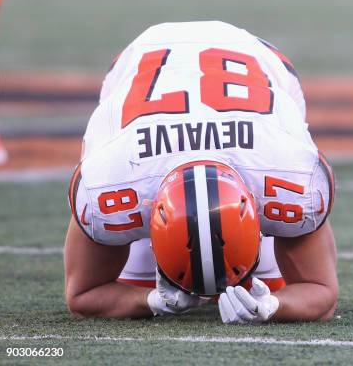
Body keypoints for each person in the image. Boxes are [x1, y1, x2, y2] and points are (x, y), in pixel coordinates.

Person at [64, 21, 337, 324]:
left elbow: (322, 295)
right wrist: (150, 299)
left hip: (260, 62)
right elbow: (83, 295)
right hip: (139, 64)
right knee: (137, 282)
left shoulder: (284, 170)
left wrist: (272, 306)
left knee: (265, 287)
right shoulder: (115, 178)